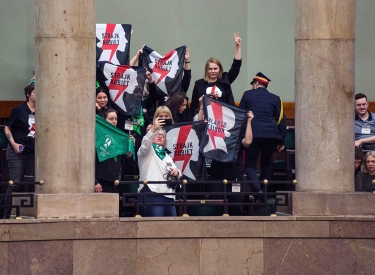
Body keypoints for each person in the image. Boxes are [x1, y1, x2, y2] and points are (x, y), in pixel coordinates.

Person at [239, 72, 286, 195]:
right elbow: (281, 120)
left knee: (249, 165)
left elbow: (241, 115)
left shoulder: (247, 95)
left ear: (255, 84)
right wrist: (282, 141)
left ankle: (257, 190)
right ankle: (264, 191)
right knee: (267, 162)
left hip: (252, 134)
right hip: (271, 135)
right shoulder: (276, 98)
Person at [207, 110, 254, 215]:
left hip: (235, 177)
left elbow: (247, 142)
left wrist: (249, 121)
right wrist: (202, 106)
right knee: (216, 209)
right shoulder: (215, 136)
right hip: (217, 177)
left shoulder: (237, 138)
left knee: (235, 209)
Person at [3, 79, 36, 218]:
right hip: (18, 151)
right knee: (15, 183)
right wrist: (14, 143)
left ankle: (30, 213)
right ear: (29, 94)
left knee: (35, 182)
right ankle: (6, 214)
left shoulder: (43, 110)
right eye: (35, 92)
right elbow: (7, 127)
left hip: (33, 151)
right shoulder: (20, 109)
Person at [137, 116, 182, 217]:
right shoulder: (146, 152)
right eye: (157, 134)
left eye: (163, 135)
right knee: (155, 228)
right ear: (152, 135)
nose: (160, 136)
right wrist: (153, 128)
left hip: (169, 196)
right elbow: (145, 143)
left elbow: (179, 172)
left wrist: (176, 172)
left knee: (172, 228)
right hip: (152, 193)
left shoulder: (167, 156)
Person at [190, 32, 242, 115]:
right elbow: (194, 106)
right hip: (204, 119)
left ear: (220, 69)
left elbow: (236, 67)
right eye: (210, 69)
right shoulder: (198, 84)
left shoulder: (225, 79)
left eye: (215, 68)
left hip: (223, 119)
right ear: (206, 70)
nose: (213, 71)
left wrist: (237, 46)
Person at [95, 108, 135, 193]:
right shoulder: (98, 135)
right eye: (111, 119)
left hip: (117, 181)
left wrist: (129, 151)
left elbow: (126, 163)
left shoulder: (120, 137)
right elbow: (92, 161)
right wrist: (95, 182)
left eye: (116, 119)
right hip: (102, 181)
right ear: (103, 120)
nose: (114, 121)